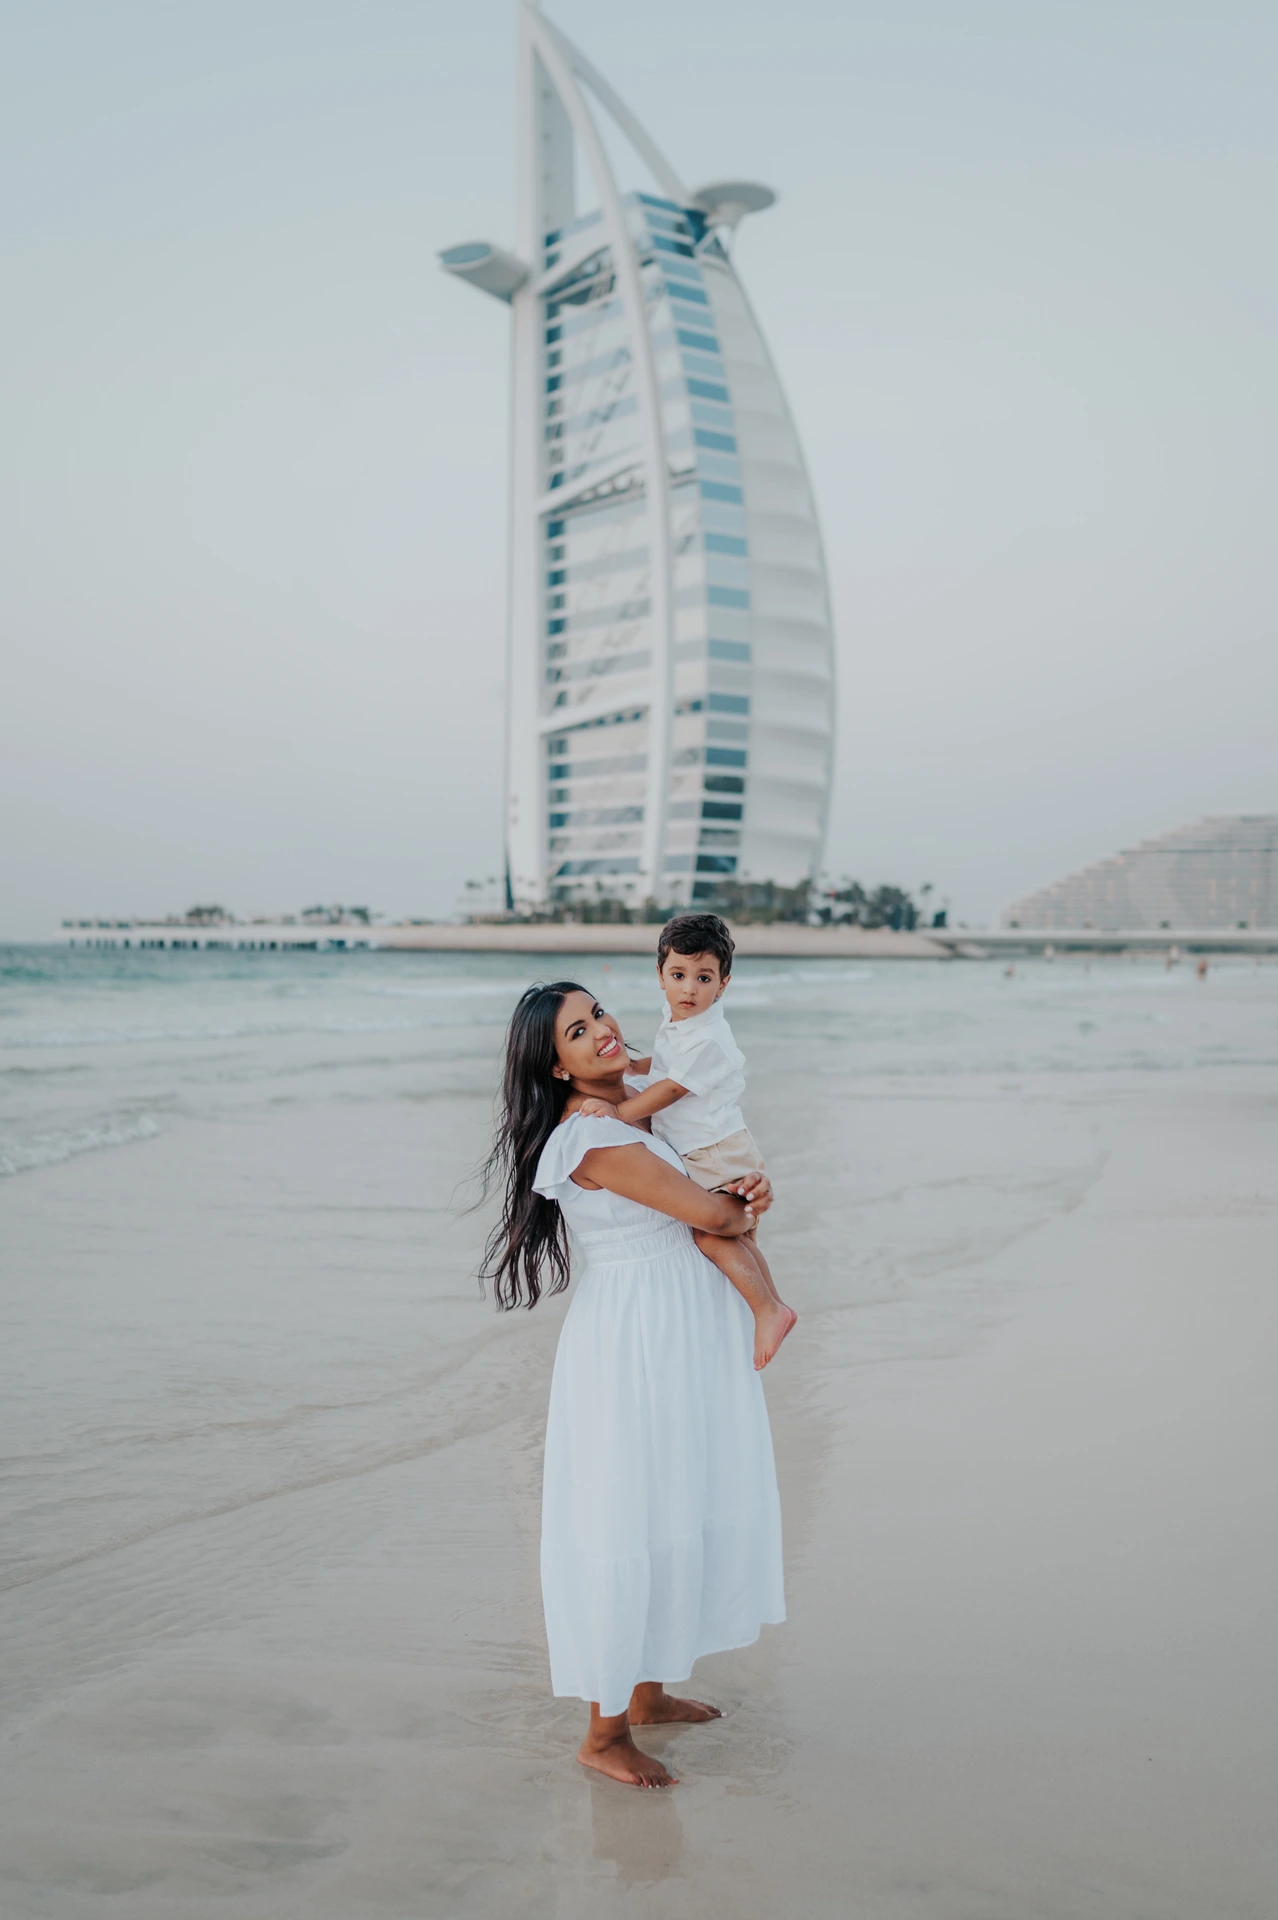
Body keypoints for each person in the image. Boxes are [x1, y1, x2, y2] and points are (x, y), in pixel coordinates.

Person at [481, 981, 785, 1789]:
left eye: (601, 1013)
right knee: (626, 1514)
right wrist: (739, 1206)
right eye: (577, 1032)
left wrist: (751, 1189)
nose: (602, 1032)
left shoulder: (639, 1112)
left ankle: (646, 1694)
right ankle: (603, 1733)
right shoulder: (590, 1139)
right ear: (554, 1066)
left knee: (670, 1502)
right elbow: (714, 1220)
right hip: (633, 1346)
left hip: (676, 1331)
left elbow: (720, 1195)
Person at [577, 912, 797, 1370]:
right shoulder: (681, 1020)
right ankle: (772, 1305)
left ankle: (767, 1309)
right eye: (678, 975)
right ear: (660, 976)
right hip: (710, 1146)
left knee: (711, 1234)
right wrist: (638, 1068)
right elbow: (669, 1064)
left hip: (715, 1149)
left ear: (723, 984)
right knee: (740, 1236)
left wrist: (619, 1112)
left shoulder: (711, 1038)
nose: (689, 989)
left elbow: (673, 1088)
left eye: (703, 978)